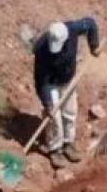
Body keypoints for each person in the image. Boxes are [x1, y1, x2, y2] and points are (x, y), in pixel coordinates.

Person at [34, 18, 101, 169]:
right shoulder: (41, 48)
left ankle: (67, 144)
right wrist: (48, 104)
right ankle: (54, 149)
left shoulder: (73, 29)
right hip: (50, 83)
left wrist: (94, 46)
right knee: (53, 118)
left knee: (70, 113)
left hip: (68, 79)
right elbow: (41, 79)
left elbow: (91, 23)